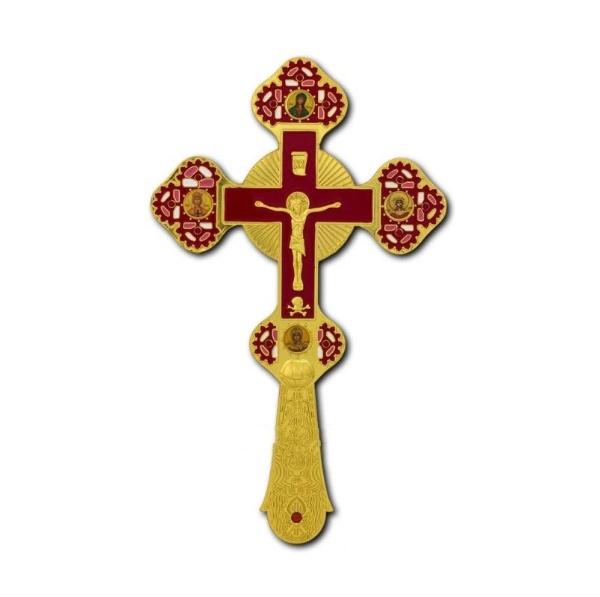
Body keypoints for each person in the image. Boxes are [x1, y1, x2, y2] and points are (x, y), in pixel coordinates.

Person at [255, 192, 341, 291]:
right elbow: (278, 209)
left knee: (299, 260)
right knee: (294, 260)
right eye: (296, 205)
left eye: (299, 205)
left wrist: (332, 205)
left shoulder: (306, 212)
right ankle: (295, 278)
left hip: (300, 239)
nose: (298, 207)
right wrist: (264, 205)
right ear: (293, 207)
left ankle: (299, 279)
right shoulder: (291, 213)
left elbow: (319, 209)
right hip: (293, 238)